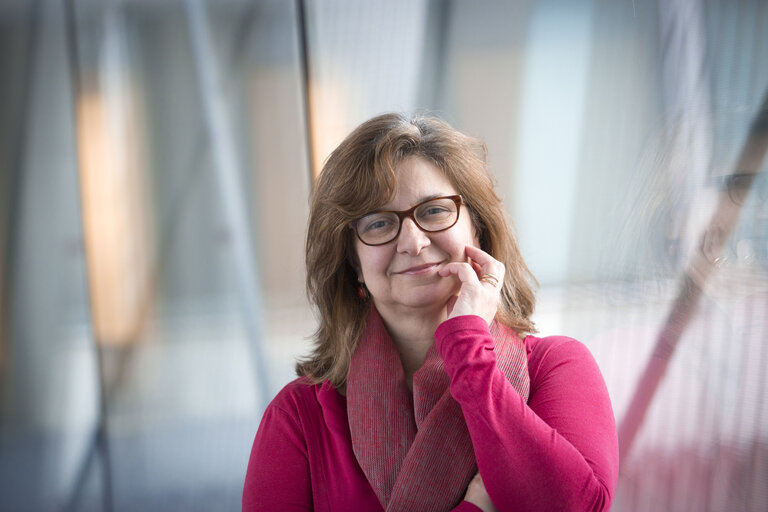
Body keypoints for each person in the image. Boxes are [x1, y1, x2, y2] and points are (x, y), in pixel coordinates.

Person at [243, 113, 619, 511]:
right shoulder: (299, 418)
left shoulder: (556, 368)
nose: (412, 241)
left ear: (478, 228)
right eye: (378, 223)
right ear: (352, 261)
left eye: (434, 211)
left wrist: (470, 355)